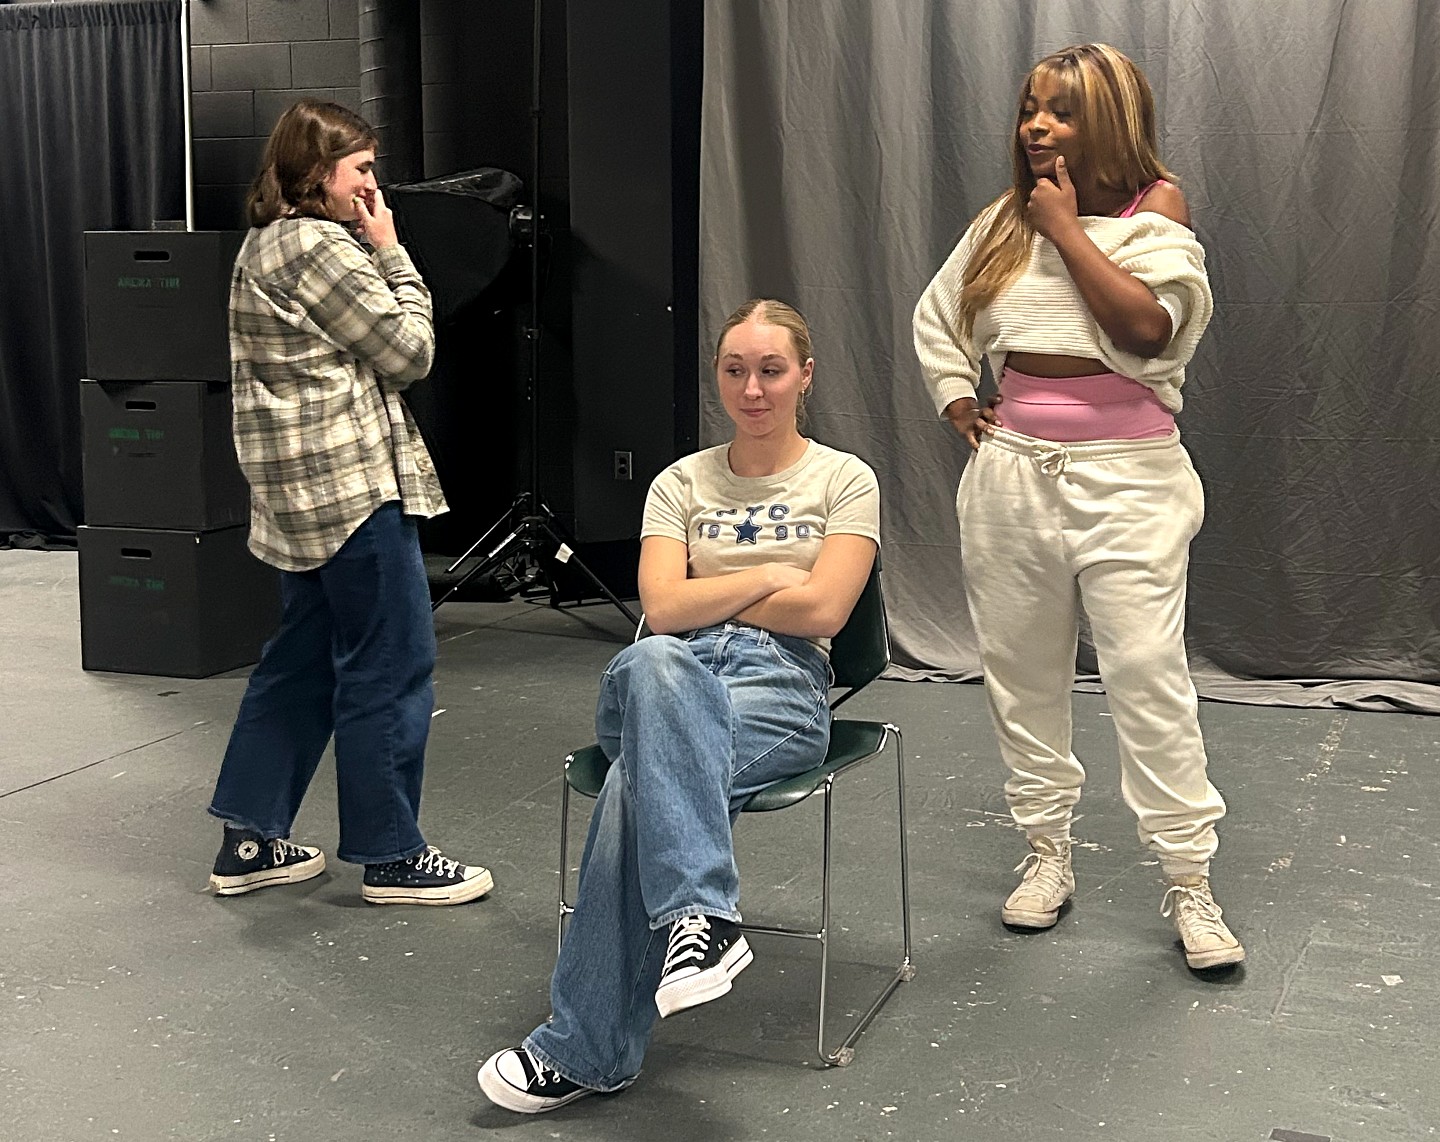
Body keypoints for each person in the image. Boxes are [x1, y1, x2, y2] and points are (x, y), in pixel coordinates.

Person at [478, 299, 880, 1112]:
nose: (753, 388)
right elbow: (660, 610)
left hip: (781, 688)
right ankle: (701, 915)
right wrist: (770, 577)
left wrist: (713, 597)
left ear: (805, 375)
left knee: (637, 786)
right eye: (736, 370)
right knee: (660, 657)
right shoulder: (680, 483)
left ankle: (587, 1048)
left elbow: (827, 614)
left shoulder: (845, 479)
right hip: (663, 675)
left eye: (771, 370)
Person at [913, 43, 1244, 969]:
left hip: (1131, 478)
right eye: (1029, 110)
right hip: (1015, 473)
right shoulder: (1002, 220)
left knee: (1147, 676)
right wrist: (954, 393)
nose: (1035, 127)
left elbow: (1148, 327)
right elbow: (940, 317)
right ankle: (1047, 855)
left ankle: (1190, 882)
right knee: (1022, 677)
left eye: (1058, 111)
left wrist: (1063, 228)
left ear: (1107, 119)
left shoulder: (1154, 209)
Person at [205, 99, 491, 907]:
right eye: (361, 170)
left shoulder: (265, 243)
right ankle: (392, 853)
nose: (374, 187)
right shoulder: (324, 248)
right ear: (316, 173)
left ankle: (250, 840)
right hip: (349, 488)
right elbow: (410, 352)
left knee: (300, 662)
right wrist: (394, 254)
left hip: (299, 495)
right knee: (390, 661)